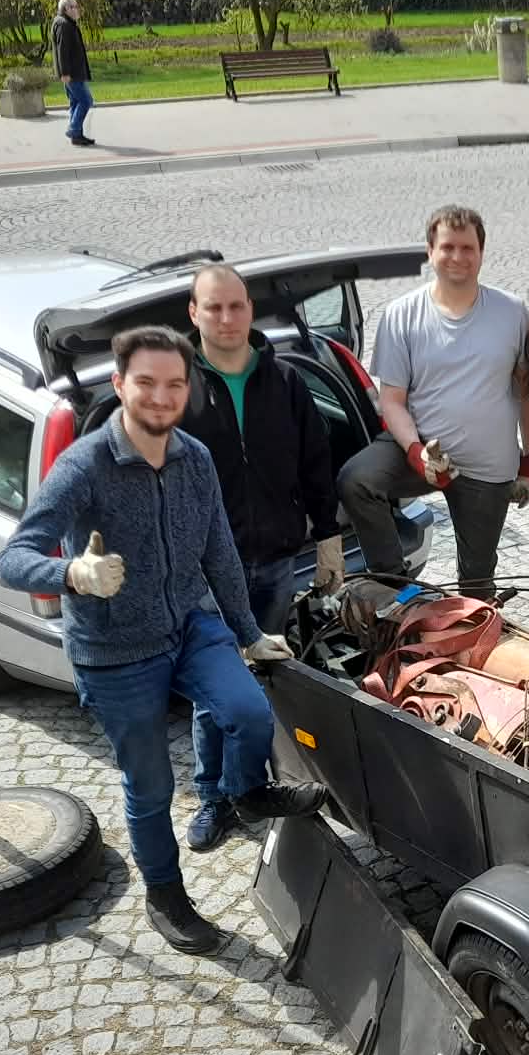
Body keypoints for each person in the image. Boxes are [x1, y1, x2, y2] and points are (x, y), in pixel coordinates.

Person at [0, 325, 325, 956]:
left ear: (188, 388)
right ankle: (166, 897)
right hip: (115, 652)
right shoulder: (85, 466)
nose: (161, 396)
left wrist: (248, 632)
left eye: (174, 383)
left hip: (188, 625)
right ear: (121, 385)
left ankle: (245, 793)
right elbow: (11, 560)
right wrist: (73, 574)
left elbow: (218, 550)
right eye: (146, 382)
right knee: (150, 788)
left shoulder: (193, 458)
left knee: (248, 712)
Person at [179, 263, 346, 853]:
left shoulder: (286, 380)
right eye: (214, 307)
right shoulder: (178, 388)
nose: (227, 318)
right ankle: (214, 798)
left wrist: (327, 536)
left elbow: (316, 462)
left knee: (263, 676)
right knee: (214, 691)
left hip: (276, 558)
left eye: (236, 306)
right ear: (194, 314)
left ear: (250, 310)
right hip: (204, 573)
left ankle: (254, 783)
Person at [340, 205, 529, 595]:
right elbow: (392, 401)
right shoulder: (401, 314)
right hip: (422, 454)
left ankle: (474, 622)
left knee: (478, 580)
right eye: (447, 247)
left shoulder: (512, 311)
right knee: (357, 480)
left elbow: (527, 391)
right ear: (430, 251)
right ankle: (396, 586)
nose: (457, 257)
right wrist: (416, 453)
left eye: (467, 248)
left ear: (482, 253)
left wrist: (528, 458)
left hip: (488, 464)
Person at [52, 0, 93, 147]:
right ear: (66, 9)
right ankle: (73, 129)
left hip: (74, 72)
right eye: (73, 6)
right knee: (86, 100)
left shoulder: (67, 23)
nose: (77, 9)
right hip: (72, 74)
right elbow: (62, 51)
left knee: (75, 103)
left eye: (76, 6)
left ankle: (77, 136)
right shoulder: (64, 25)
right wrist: (65, 73)